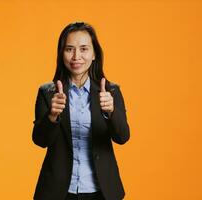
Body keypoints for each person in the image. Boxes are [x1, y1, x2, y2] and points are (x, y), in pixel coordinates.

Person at [32, 22, 130, 200]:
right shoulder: (48, 92)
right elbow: (39, 140)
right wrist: (52, 116)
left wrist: (110, 113)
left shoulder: (110, 91)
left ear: (94, 54)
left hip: (101, 192)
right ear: (61, 54)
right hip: (59, 192)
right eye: (69, 49)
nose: (76, 56)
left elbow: (122, 137)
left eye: (84, 49)